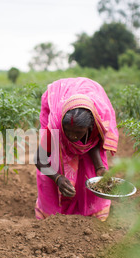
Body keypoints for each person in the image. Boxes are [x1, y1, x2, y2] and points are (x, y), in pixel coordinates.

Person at [34, 77, 118, 221]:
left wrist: (99, 168)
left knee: (88, 170)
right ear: (62, 125)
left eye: (78, 133)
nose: (72, 137)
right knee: (57, 162)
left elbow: (92, 143)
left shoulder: (97, 121)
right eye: (68, 131)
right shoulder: (55, 125)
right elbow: (39, 159)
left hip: (89, 100)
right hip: (56, 99)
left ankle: (88, 211)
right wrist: (57, 178)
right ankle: (53, 213)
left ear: (90, 127)